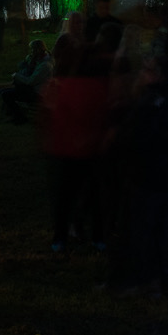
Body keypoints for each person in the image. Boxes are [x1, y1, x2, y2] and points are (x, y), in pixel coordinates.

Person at [110, 57, 168, 295]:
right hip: (166, 173)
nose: (142, 73)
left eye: (147, 70)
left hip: (147, 173)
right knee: (162, 228)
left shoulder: (151, 102)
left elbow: (140, 137)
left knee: (142, 228)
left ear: (158, 74)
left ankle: (142, 279)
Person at [40, 38, 109, 250]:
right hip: (91, 150)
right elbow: (102, 118)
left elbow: (48, 116)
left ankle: (60, 238)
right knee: (94, 196)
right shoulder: (97, 87)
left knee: (64, 197)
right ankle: (98, 237)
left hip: (65, 151)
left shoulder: (58, 86)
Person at [0, 39, 53, 122]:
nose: (31, 52)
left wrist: (16, 75)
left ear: (37, 50)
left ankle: (19, 117)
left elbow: (31, 81)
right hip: (31, 89)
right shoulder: (37, 61)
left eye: (32, 49)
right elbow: (22, 68)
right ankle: (13, 113)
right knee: (5, 92)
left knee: (5, 94)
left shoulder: (45, 65)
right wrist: (27, 62)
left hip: (38, 93)